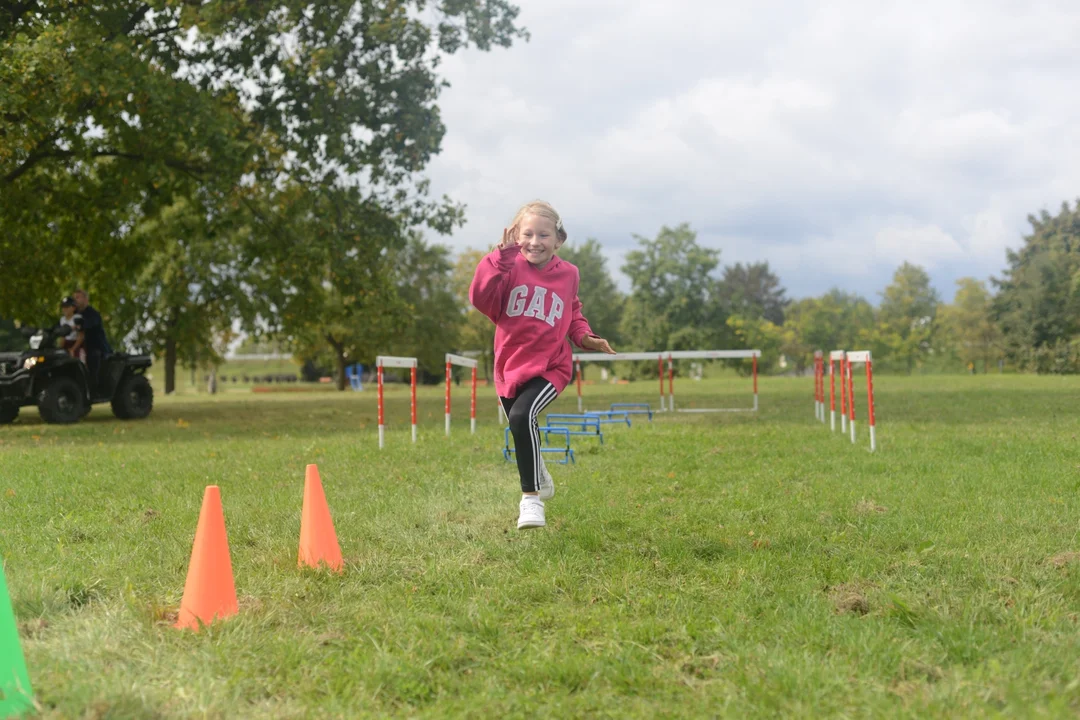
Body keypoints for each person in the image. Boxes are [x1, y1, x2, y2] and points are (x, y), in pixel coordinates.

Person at [469, 201, 615, 530]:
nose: (535, 241)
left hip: (552, 366)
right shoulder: (507, 268)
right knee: (520, 424)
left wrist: (586, 338)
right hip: (510, 367)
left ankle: (531, 501)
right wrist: (499, 257)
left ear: (558, 240)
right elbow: (480, 296)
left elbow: (572, 314)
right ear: (516, 237)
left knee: (522, 416)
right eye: (528, 234)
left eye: (544, 235)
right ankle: (540, 473)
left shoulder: (569, 274)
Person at [73, 289, 111, 396]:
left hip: (95, 348)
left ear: (85, 299)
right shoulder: (73, 314)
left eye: (78, 297)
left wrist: (78, 327)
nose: (75, 300)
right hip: (78, 348)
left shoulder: (92, 314)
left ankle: (94, 390)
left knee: (93, 359)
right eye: (74, 297)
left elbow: (89, 325)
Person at [59, 296, 85, 362]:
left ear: (73, 308)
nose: (65, 309)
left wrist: (73, 349)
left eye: (67, 307)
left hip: (77, 344)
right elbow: (63, 337)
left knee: (80, 361)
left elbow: (81, 336)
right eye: (63, 307)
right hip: (66, 344)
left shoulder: (77, 318)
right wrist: (60, 349)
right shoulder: (62, 319)